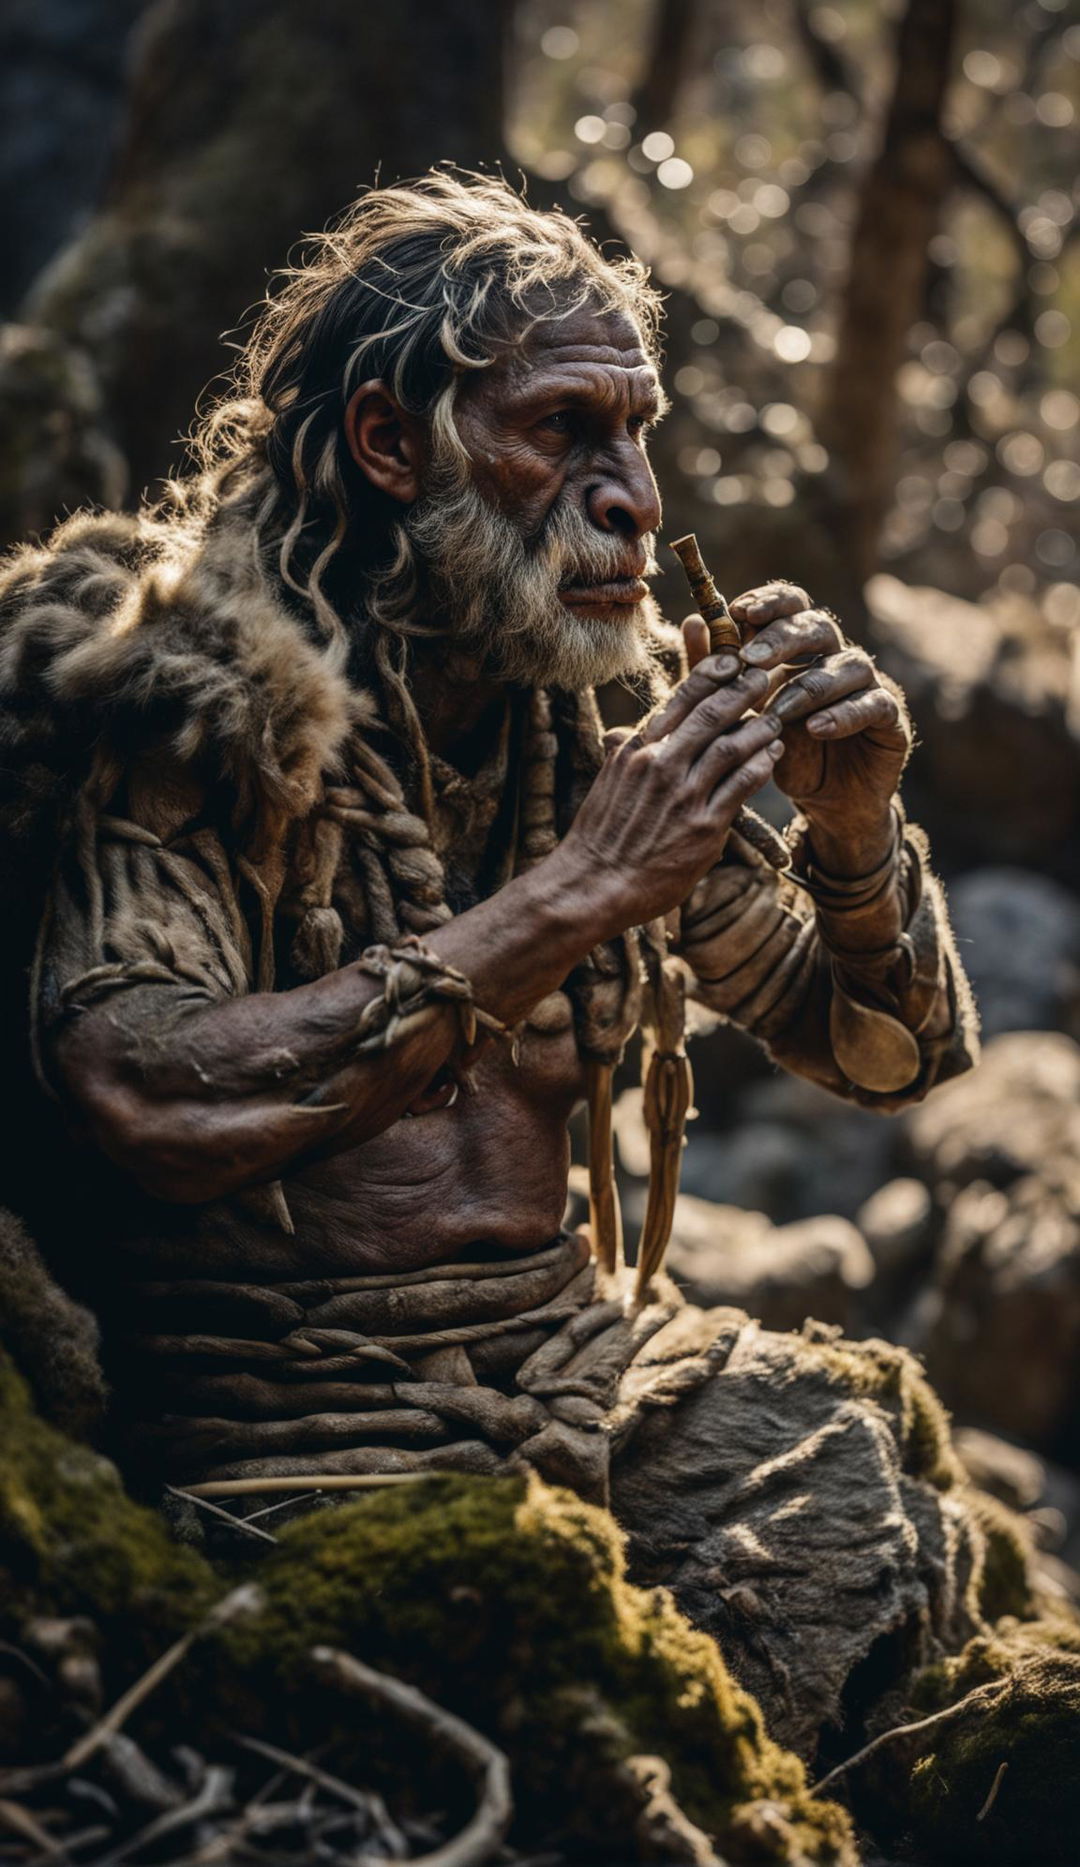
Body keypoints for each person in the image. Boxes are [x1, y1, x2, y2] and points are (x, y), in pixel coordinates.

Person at [0, 172, 981, 1747]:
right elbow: (135, 1089)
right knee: (518, 1707)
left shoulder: (592, 723)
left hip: (586, 1374)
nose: (638, 497)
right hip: (289, 1426)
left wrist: (859, 835)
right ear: (394, 444)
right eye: (567, 431)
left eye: (641, 433)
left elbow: (890, 1061)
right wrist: (584, 891)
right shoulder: (204, 697)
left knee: (865, 1500)